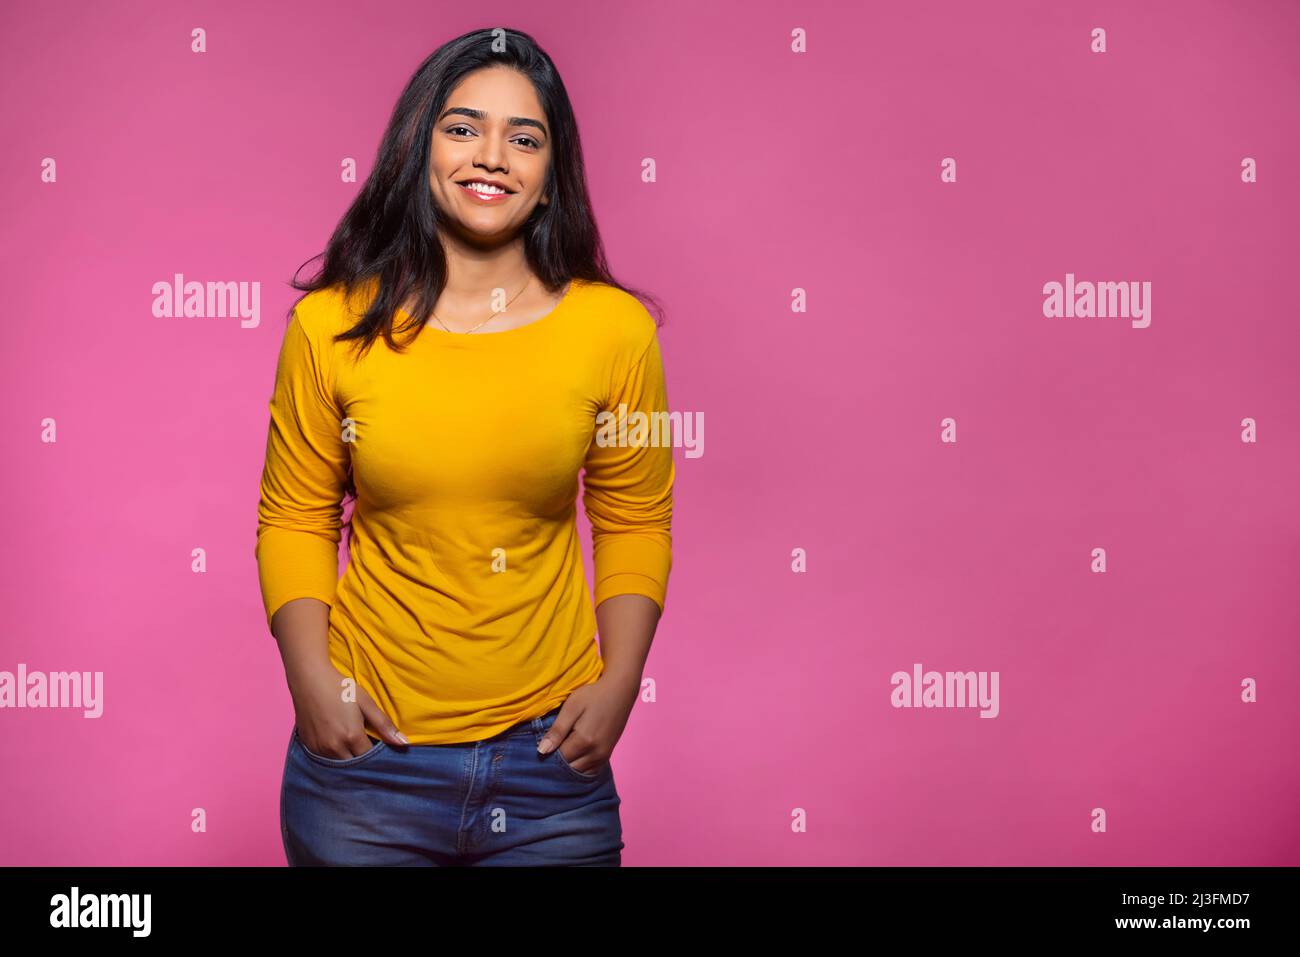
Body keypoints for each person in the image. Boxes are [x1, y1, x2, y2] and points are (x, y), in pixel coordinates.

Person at [255, 27, 674, 866]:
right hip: (366, 769)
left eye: (525, 138)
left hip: (551, 769)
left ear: (552, 179)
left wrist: (619, 683)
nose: (492, 156)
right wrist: (313, 683)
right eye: (463, 127)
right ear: (420, 149)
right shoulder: (330, 325)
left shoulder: (615, 331)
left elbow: (635, 519)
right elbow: (296, 515)